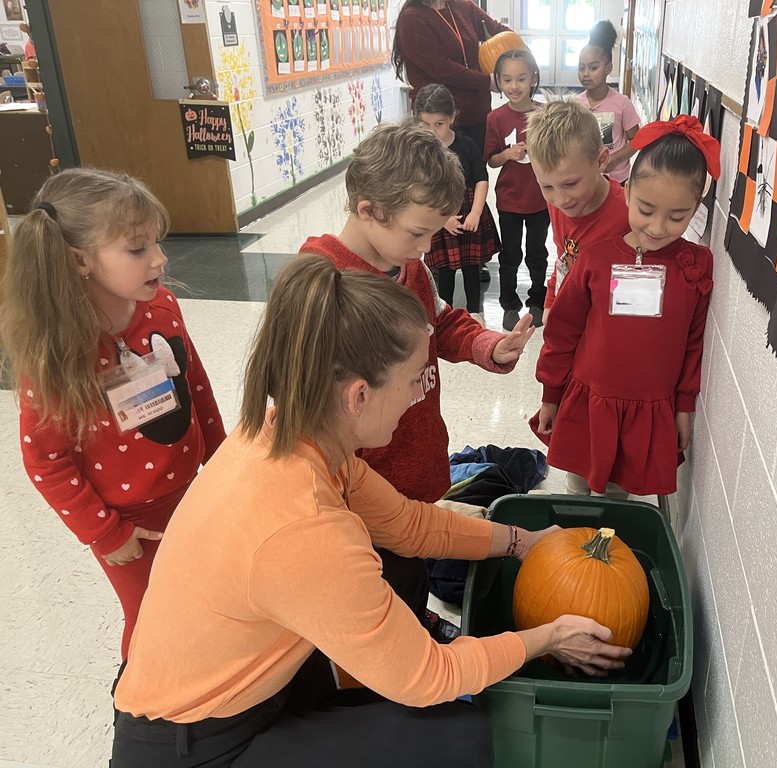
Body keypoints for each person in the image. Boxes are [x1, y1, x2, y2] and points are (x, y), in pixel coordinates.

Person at [109, 256, 632, 767]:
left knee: (401, 568)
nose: (415, 396)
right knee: (463, 739)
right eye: (411, 381)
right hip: (196, 744)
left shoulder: (295, 431)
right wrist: (549, 636)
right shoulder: (305, 524)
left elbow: (409, 525)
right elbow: (429, 678)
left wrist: (524, 541)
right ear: (358, 395)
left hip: (254, 681)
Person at [301, 123, 535, 638]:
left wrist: (486, 345)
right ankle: (395, 633)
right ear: (368, 209)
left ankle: (415, 612)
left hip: (421, 456)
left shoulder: (407, 265)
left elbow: (442, 322)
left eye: (433, 233)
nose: (427, 247)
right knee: (374, 574)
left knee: (413, 566)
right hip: (361, 485)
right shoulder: (322, 282)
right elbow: (304, 400)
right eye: (417, 233)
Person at [0, 168, 225, 658]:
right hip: (130, 522)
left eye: (157, 244)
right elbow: (45, 461)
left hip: (193, 493)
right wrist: (106, 533)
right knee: (152, 623)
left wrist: (224, 461)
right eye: (137, 249)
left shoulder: (162, 307)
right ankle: (144, 717)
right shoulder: (59, 351)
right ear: (79, 260)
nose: (160, 259)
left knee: (205, 602)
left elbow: (196, 386)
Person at [534, 115, 720, 498]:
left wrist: (684, 406)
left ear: (696, 209)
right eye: (646, 209)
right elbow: (562, 332)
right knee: (578, 484)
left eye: (677, 216)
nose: (656, 227)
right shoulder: (597, 256)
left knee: (622, 494)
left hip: (648, 406)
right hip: (590, 397)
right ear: (628, 191)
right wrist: (550, 395)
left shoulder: (695, 267)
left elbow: (693, 343)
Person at [527, 97, 632, 326]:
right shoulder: (558, 204)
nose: (560, 199)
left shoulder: (628, 214)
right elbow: (564, 255)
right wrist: (551, 302)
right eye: (547, 186)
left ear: (601, 160)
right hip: (576, 315)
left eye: (571, 184)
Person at [415, 83, 500, 322]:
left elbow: (482, 178)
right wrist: (442, 220)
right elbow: (420, 190)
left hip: (469, 210)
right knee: (445, 269)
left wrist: (475, 213)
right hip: (440, 215)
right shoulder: (421, 150)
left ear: (452, 117)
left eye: (439, 124)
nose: (432, 131)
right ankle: (446, 315)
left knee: (472, 266)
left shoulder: (466, 144)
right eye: (425, 125)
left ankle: (474, 311)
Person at [484, 48, 549, 332]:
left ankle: (537, 299)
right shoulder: (495, 118)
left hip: (541, 199)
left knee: (537, 253)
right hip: (509, 200)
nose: (514, 86)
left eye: (521, 79)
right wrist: (507, 155)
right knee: (510, 255)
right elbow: (491, 159)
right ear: (498, 80)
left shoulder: (544, 113)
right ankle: (509, 303)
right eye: (507, 80)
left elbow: (556, 155)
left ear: (533, 78)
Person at [392, 0, 510, 153]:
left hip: (476, 113)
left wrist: (519, 54)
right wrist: (487, 81)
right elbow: (443, 68)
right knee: (439, 173)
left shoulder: (463, 5)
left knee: (477, 172)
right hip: (438, 118)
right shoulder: (412, 18)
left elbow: (496, 30)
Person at [576, 20, 640, 184]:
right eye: (581, 68)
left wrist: (616, 159)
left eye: (593, 67)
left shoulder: (622, 103)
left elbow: (637, 139)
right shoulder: (575, 103)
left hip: (617, 179)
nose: (586, 74)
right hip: (588, 178)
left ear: (608, 68)